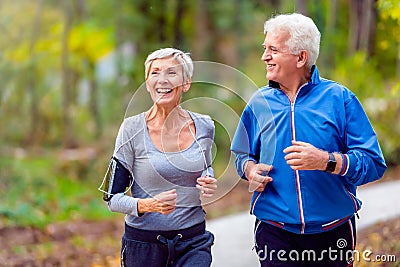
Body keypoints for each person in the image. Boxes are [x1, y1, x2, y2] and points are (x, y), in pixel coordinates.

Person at [231, 13, 386, 267]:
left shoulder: (340, 99)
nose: (264, 57)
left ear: (301, 57)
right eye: (264, 49)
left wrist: (326, 161)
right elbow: (242, 154)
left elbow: (373, 164)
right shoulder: (259, 103)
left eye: (273, 49)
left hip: (333, 232)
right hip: (274, 231)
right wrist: (250, 170)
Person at [99, 48, 217, 267]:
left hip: (193, 242)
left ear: (186, 83)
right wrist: (148, 204)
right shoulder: (131, 129)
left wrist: (208, 179)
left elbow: (206, 166)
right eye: (155, 73)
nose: (162, 80)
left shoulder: (204, 125)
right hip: (144, 246)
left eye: (171, 73)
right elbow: (111, 198)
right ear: (147, 82)